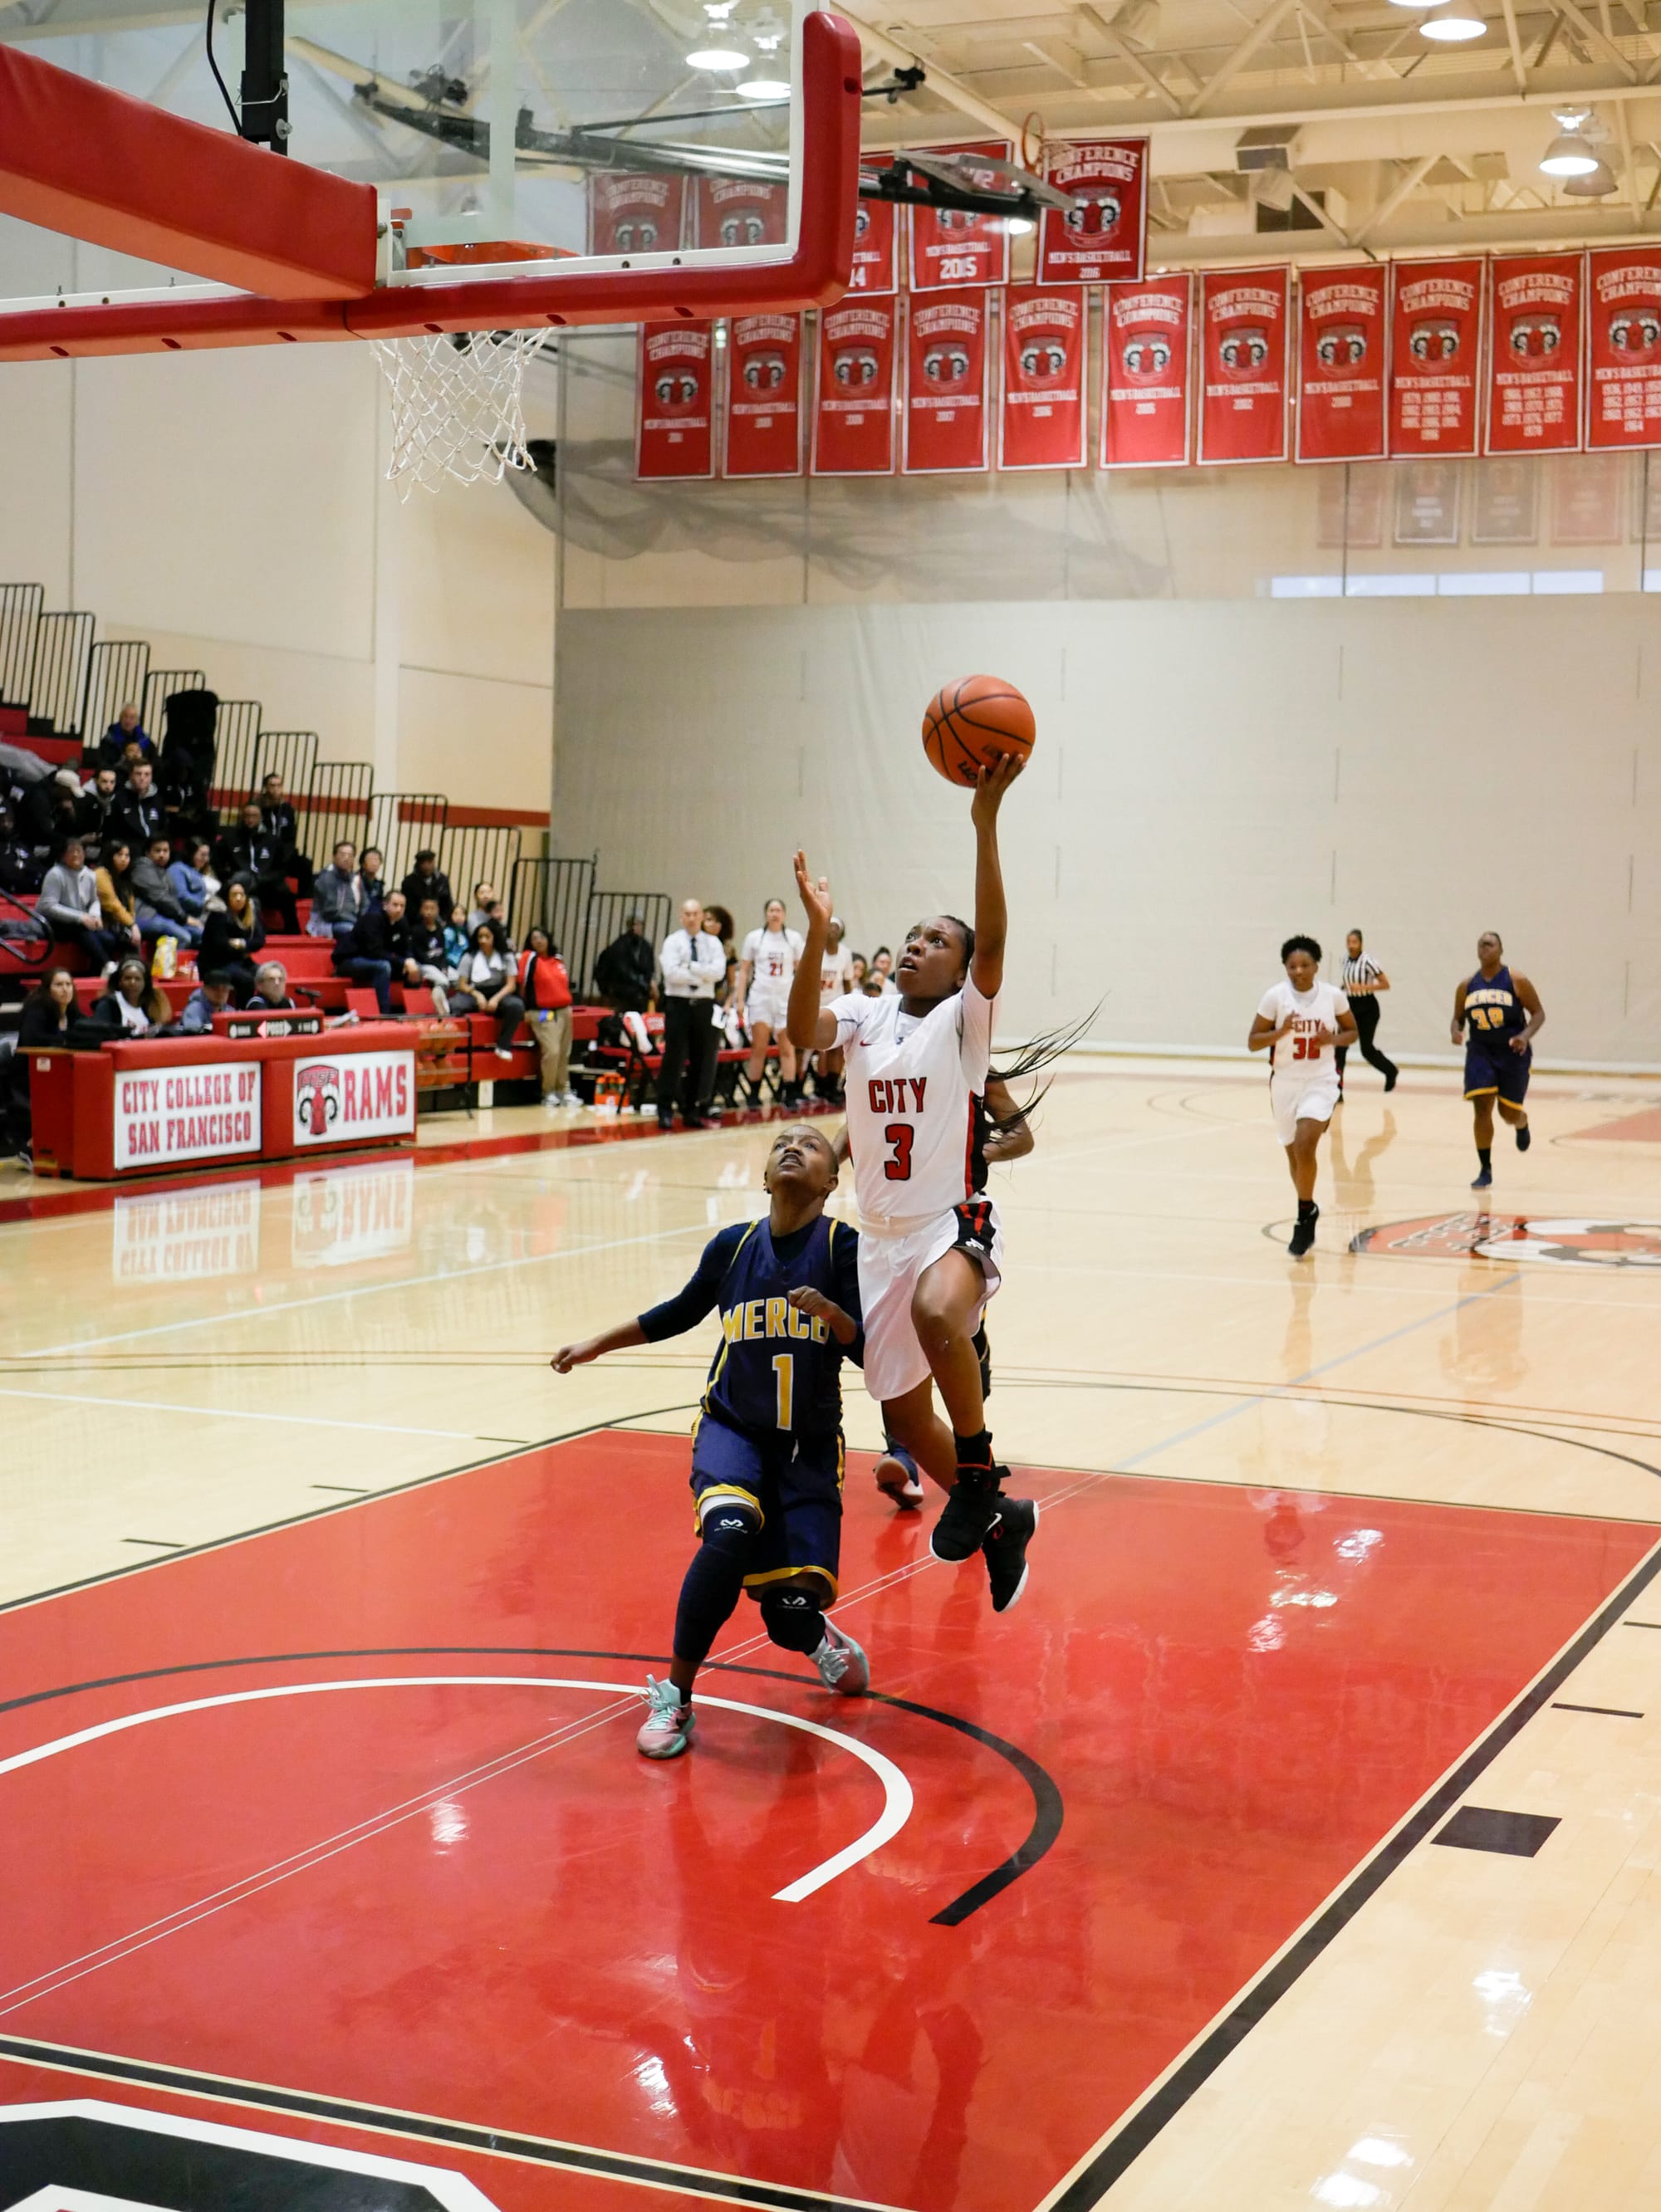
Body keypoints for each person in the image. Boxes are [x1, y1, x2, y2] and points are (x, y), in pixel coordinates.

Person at [786, 755, 1039, 1613]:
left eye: (936, 941)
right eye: (912, 935)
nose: (915, 945)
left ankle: (975, 1470)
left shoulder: (966, 1028)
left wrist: (983, 823)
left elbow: (995, 944)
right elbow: (796, 1028)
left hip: (949, 1219)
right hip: (881, 1239)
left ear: (960, 969)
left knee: (940, 1313)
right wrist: (818, 935)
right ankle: (1002, 1520)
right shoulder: (862, 1015)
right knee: (898, 1413)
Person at [549, 1123, 870, 1759]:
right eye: (781, 1142)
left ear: (832, 1181)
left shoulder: (843, 1249)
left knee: (783, 1618)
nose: (791, 1148)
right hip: (733, 1429)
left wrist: (834, 1318)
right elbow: (680, 1310)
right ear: (762, 1176)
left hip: (806, 1451)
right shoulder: (733, 1245)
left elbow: (874, 1352)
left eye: (809, 1145)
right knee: (728, 1537)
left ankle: (818, 1639)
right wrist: (598, 1344)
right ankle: (675, 1696)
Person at [1248, 935, 1358, 1258]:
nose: (1298, 971)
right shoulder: (1275, 998)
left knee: (1306, 1143)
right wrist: (1280, 1032)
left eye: (1305, 965)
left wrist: (1333, 1039)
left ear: (1316, 966)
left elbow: (1352, 1032)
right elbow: (1253, 1041)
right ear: (1285, 967)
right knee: (1294, 1156)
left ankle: (1302, 1215)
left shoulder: (1333, 996)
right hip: (1284, 1082)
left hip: (1321, 1080)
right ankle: (1309, 1208)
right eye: (1292, 966)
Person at [1453, 931, 1543, 1191]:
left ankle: (1521, 1121)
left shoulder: (1516, 980)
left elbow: (1538, 1013)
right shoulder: (1467, 985)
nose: (1484, 948)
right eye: (1480, 944)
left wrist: (1525, 1036)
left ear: (1501, 950)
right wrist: (1455, 1031)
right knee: (1481, 1106)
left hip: (1512, 1053)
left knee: (1508, 1112)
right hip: (1480, 1051)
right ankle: (1485, 1169)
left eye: (1490, 944)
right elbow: (1457, 1017)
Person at [656, 898, 725, 1132]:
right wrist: (701, 974)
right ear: (681, 917)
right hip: (678, 1005)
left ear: (701, 916)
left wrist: (691, 968)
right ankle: (664, 1110)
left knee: (700, 1058)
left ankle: (691, 1110)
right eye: (687, 913)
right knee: (673, 1058)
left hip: (704, 1005)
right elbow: (671, 974)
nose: (692, 917)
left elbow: (718, 972)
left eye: (696, 913)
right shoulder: (672, 942)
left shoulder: (713, 942)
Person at [738, 897, 806, 1109]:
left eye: (778, 910)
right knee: (759, 1047)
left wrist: (802, 1000)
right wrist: (740, 999)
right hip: (761, 996)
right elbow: (744, 972)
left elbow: (802, 972)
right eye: (771, 910)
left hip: (785, 997)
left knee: (787, 1046)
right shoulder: (755, 938)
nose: (774, 914)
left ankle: (790, 1092)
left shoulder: (793, 938)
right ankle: (753, 1093)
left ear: (784, 914)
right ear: (766, 914)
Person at [214, 800, 299, 935]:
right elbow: (218, 864)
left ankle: (293, 931)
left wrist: (264, 879)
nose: (250, 819)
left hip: (266, 883)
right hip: (242, 883)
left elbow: (281, 869)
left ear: (261, 818)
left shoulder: (273, 840)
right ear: (243, 817)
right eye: (247, 815)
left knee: (285, 892)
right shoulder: (231, 839)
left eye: (254, 816)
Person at [518, 925, 578, 1107]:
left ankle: (564, 1090)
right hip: (543, 1013)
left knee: (564, 1053)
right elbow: (521, 982)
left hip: (565, 1011)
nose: (538, 941)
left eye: (541, 937)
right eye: (534, 938)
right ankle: (548, 1091)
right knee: (552, 1051)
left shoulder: (558, 959)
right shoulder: (529, 958)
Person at [449, 919, 525, 1058]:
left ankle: (503, 1045)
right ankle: (459, 1048)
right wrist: (478, 996)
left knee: (516, 1006)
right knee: (454, 1005)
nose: (483, 940)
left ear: (495, 937)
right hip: (475, 992)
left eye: (487, 937)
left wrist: (496, 999)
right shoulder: (469, 956)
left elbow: (511, 985)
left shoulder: (506, 956)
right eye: (480, 937)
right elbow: (462, 984)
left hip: (500, 993)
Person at [1337, 929, 1399, 1094]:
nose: (1351, 946)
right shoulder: (1344, 959)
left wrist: (1364, 987)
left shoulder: (1368, 961)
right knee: (1340, 1046)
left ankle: (1390, 1070)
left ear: (1361, 944)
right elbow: (1349, 979)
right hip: (1350, 1005)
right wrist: (1346, 986)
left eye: (1354, 942)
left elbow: (1386, 984)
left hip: (1368, 1008)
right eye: (1349, 942)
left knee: (1366, 1050)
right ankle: (1337, 1089)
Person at [37, 836, 115, 964]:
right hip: (52, 923)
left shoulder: (90, 874)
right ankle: (108, 965)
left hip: (79, 922)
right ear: (63, 855)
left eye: (79, 851)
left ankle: (98, 973)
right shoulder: (55, 873)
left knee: (108, 939)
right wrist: (80, 917)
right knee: (81, 930)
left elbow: (94, 900)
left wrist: (95, 915)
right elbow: (48, 906)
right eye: (71, 851)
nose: (75, 854)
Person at [334, 887, 410, 1015]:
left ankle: (412, 1015)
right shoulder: (373, 918)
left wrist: (409, 961)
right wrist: (402, 962)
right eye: (395, 905)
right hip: (349, 960)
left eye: (402, 906)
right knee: (383, 967)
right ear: (385, 905)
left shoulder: (402, 922)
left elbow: (406, 948)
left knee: (415, 968)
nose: (399, 909)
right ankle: (384, 1014)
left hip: (372, 959)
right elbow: (374, 951)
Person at [199, 874, 266, 1001]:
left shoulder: (250, 911)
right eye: (235, 895)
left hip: (238, 960)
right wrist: (244, 949)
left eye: (242, 894)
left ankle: (262, 1008)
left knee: (265, 975)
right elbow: (220, 946)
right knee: (246, 980)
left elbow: (260, 940)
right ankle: (243, 1015)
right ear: (227, 897)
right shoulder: (218, 914)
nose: (239, 898)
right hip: (217, 963)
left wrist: (241, 944)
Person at [132, 834, 203, 948]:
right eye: (157, 850)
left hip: (165, 918)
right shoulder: (142, 868)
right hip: (146, 917)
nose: (162, 854)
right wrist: (184, 918)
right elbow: (160, 897)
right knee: (184, 937)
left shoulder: (164, 872)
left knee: (201, 934)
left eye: (165, 851)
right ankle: (170, 966)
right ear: (147, 852)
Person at [815, 917, 855, 1104]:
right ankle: (820, 1085)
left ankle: (832, 1086)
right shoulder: (816, 952)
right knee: (821, 1049)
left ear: (841, 932)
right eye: (828, 926)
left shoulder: (845, 954)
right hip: (817, 1004)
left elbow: (847, 982)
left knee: (837, 1048)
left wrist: (851, 1005)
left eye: (836, 927)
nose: (831, 930)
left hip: (837, 1005)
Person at [257, 772, 314, 897]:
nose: (276, 789)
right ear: (266, 787)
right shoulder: (258, 808)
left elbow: (290, 837)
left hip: (284, 855)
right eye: (272, 785)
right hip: (265, 855)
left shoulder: (287, 809)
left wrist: (285, 854)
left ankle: (304, 899)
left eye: (279, 785)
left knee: (305, 863)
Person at [91, 955, 169, 1036]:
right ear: (120, 982)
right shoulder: (107, 1004)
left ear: (144, 983)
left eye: (137, 979)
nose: (132, 983)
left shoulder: (149, 1004)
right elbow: (98, 1035)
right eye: (128, 978)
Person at [595, 913, 655, 1013]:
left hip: (638, 993)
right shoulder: (620, 946)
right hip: (623, 993)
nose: (636, 928)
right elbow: (620, 970)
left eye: (639, 924)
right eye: (634, 924)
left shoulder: (644, 946)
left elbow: (649, 968)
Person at [94, 839, 145, 955]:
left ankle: (134, 968)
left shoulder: (125, 878)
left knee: (136, 935)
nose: (124, 859)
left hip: (118, 924)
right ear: (110, 855)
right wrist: (132, 925)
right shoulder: (100, 873)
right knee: (115, 939)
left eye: (127, 856)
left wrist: (132, 925)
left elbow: (130, 906)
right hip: (101, 922)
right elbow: (112, 904)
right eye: (119, 854)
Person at [405, 895, 453, 1013]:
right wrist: (438, 967)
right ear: (421, 910)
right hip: (425, 966)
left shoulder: (440, 930)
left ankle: (448, 1005)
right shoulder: (417, 930)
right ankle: (443, 1010)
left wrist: (444, 967)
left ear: (438, 910)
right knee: (443, 981)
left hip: (438, 964)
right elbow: (420, 955)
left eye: (432, 908)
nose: (429, 912)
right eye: (426, 908)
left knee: (457, 978)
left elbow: (442, 952)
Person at [307, 842, 363, 941]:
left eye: (350, 855)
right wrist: (356, 923)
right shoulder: (325, 878)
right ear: (334, 857)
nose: (346, 858)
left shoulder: (355, 879)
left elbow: (365, 905)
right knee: (353, 932)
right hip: (326, 924)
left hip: (351, 922)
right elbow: (330, 911)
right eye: (342, 854)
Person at [110, 758, 165, 856]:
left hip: (154, 854)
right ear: (131, 775)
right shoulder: (119, 799)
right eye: (138, 774)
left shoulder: (158, 799)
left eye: (147, 774)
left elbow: (163, 828)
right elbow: (112, 833)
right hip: (128, 855)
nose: (142, 778)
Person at [76, 766, 121, 860]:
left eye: (112, 782)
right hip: (81, 842)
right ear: (96, 781)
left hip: (102, 843)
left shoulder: (115, 800)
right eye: (104, 781)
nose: (108, 786)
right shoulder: (85, 798)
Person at [168, 836, 214, 925]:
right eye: (202, 855)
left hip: (200, 918)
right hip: (183, 919)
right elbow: (181, 896)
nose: (206, 859)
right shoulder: (177, 868)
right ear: (191, 853)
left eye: (207, 855)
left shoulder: (197, 873)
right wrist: (205, 904)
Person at [95, 702, 153, 774]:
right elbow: (103, 763)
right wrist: (125, 758)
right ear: (120, 718)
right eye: (125, 717)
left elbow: (154, 762)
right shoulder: (109, 740)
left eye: (132, 718)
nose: (128, 721)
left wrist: (140, 759)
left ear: (137, 721)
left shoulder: (145, 740)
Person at [177, 969, 236, 1034]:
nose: (220, 993)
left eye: (225, 989)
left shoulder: (230, 1011)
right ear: (204, 989)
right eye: (215, 988)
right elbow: (194, 1036)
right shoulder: (194, 1010)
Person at [400, 848, 453, 919]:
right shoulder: (409, 881)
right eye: (423, 863)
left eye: (429, 862)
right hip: (416, 922)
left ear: (434, 862)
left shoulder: (442, 879)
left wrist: (443, 920)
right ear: (418, 864)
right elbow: (408, 906)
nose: (427, 866)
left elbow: (448, 903)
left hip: (439, 921)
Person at [358, 848, 388, 912]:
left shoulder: (380, 884)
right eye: (371, 860)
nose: (374, 864)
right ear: (363, 864)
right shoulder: (356, 880)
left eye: (376, 860)